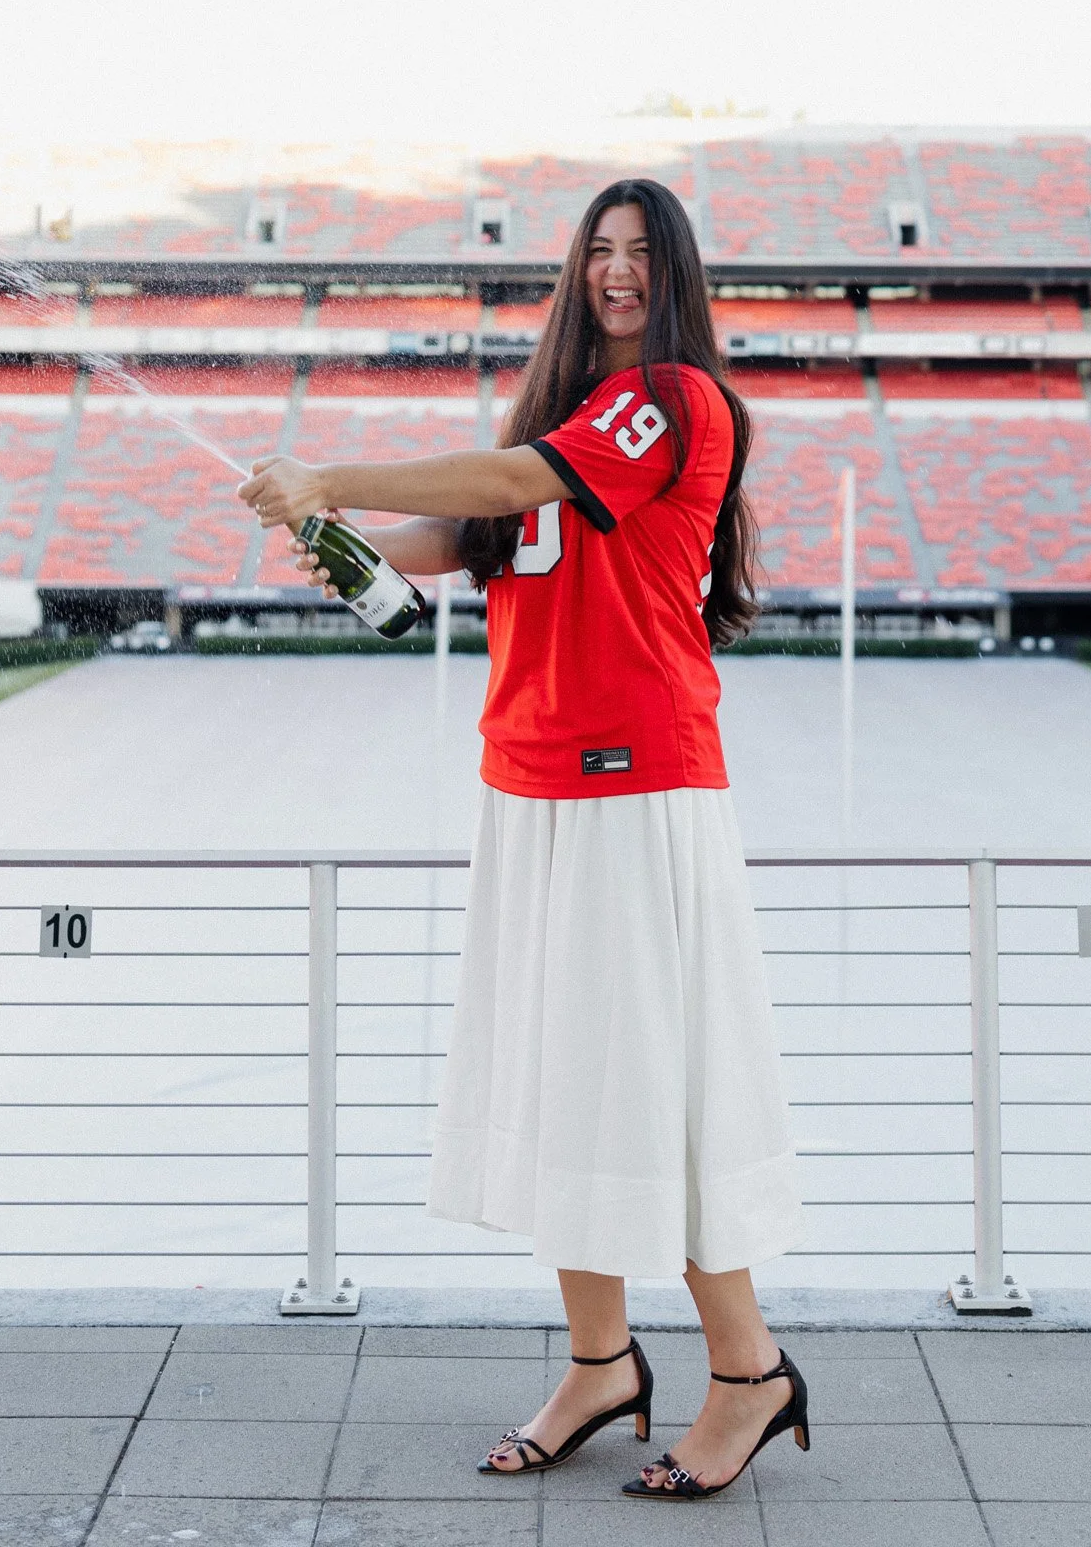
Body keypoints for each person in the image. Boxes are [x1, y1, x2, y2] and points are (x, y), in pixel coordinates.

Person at [239, 178, 809, 1498]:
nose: (616, 274)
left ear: (674, 276)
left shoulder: (672, 399)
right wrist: (344, 534)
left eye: (639, 254)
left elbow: (514, 479)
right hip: (533, 779)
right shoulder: (568, 413)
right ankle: (604, 1362)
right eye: (598, 253)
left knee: (659, 1095)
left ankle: (748, 1371)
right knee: (564, 1085)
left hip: (638, 784)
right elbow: (482, 527)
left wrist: (327, 466)